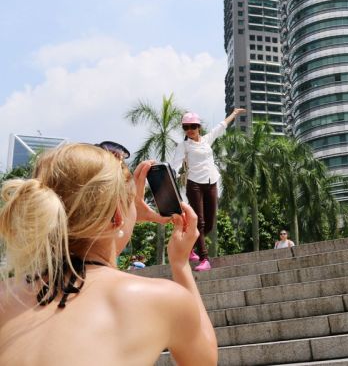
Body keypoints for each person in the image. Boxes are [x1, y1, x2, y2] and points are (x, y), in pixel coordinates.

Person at [0, 143, 217, 366]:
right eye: (131, 203)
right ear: (116, 217)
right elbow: (204, 361)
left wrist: (123, 218)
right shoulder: (157, 298)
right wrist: (180, 264)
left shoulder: (5, 296)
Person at [170, 107, 246, 271]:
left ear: (199, 127)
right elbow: (175, 166)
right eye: (186, 127)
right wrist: (166, 177)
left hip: (211, 182)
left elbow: (221, 126)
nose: (190, 130)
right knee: (200, 222)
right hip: (194, 184)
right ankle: (204, 259)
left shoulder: (206, 140)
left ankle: (190, 247)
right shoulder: (184, 146)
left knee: (210, 223)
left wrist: (234, 113)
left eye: (193, 126)